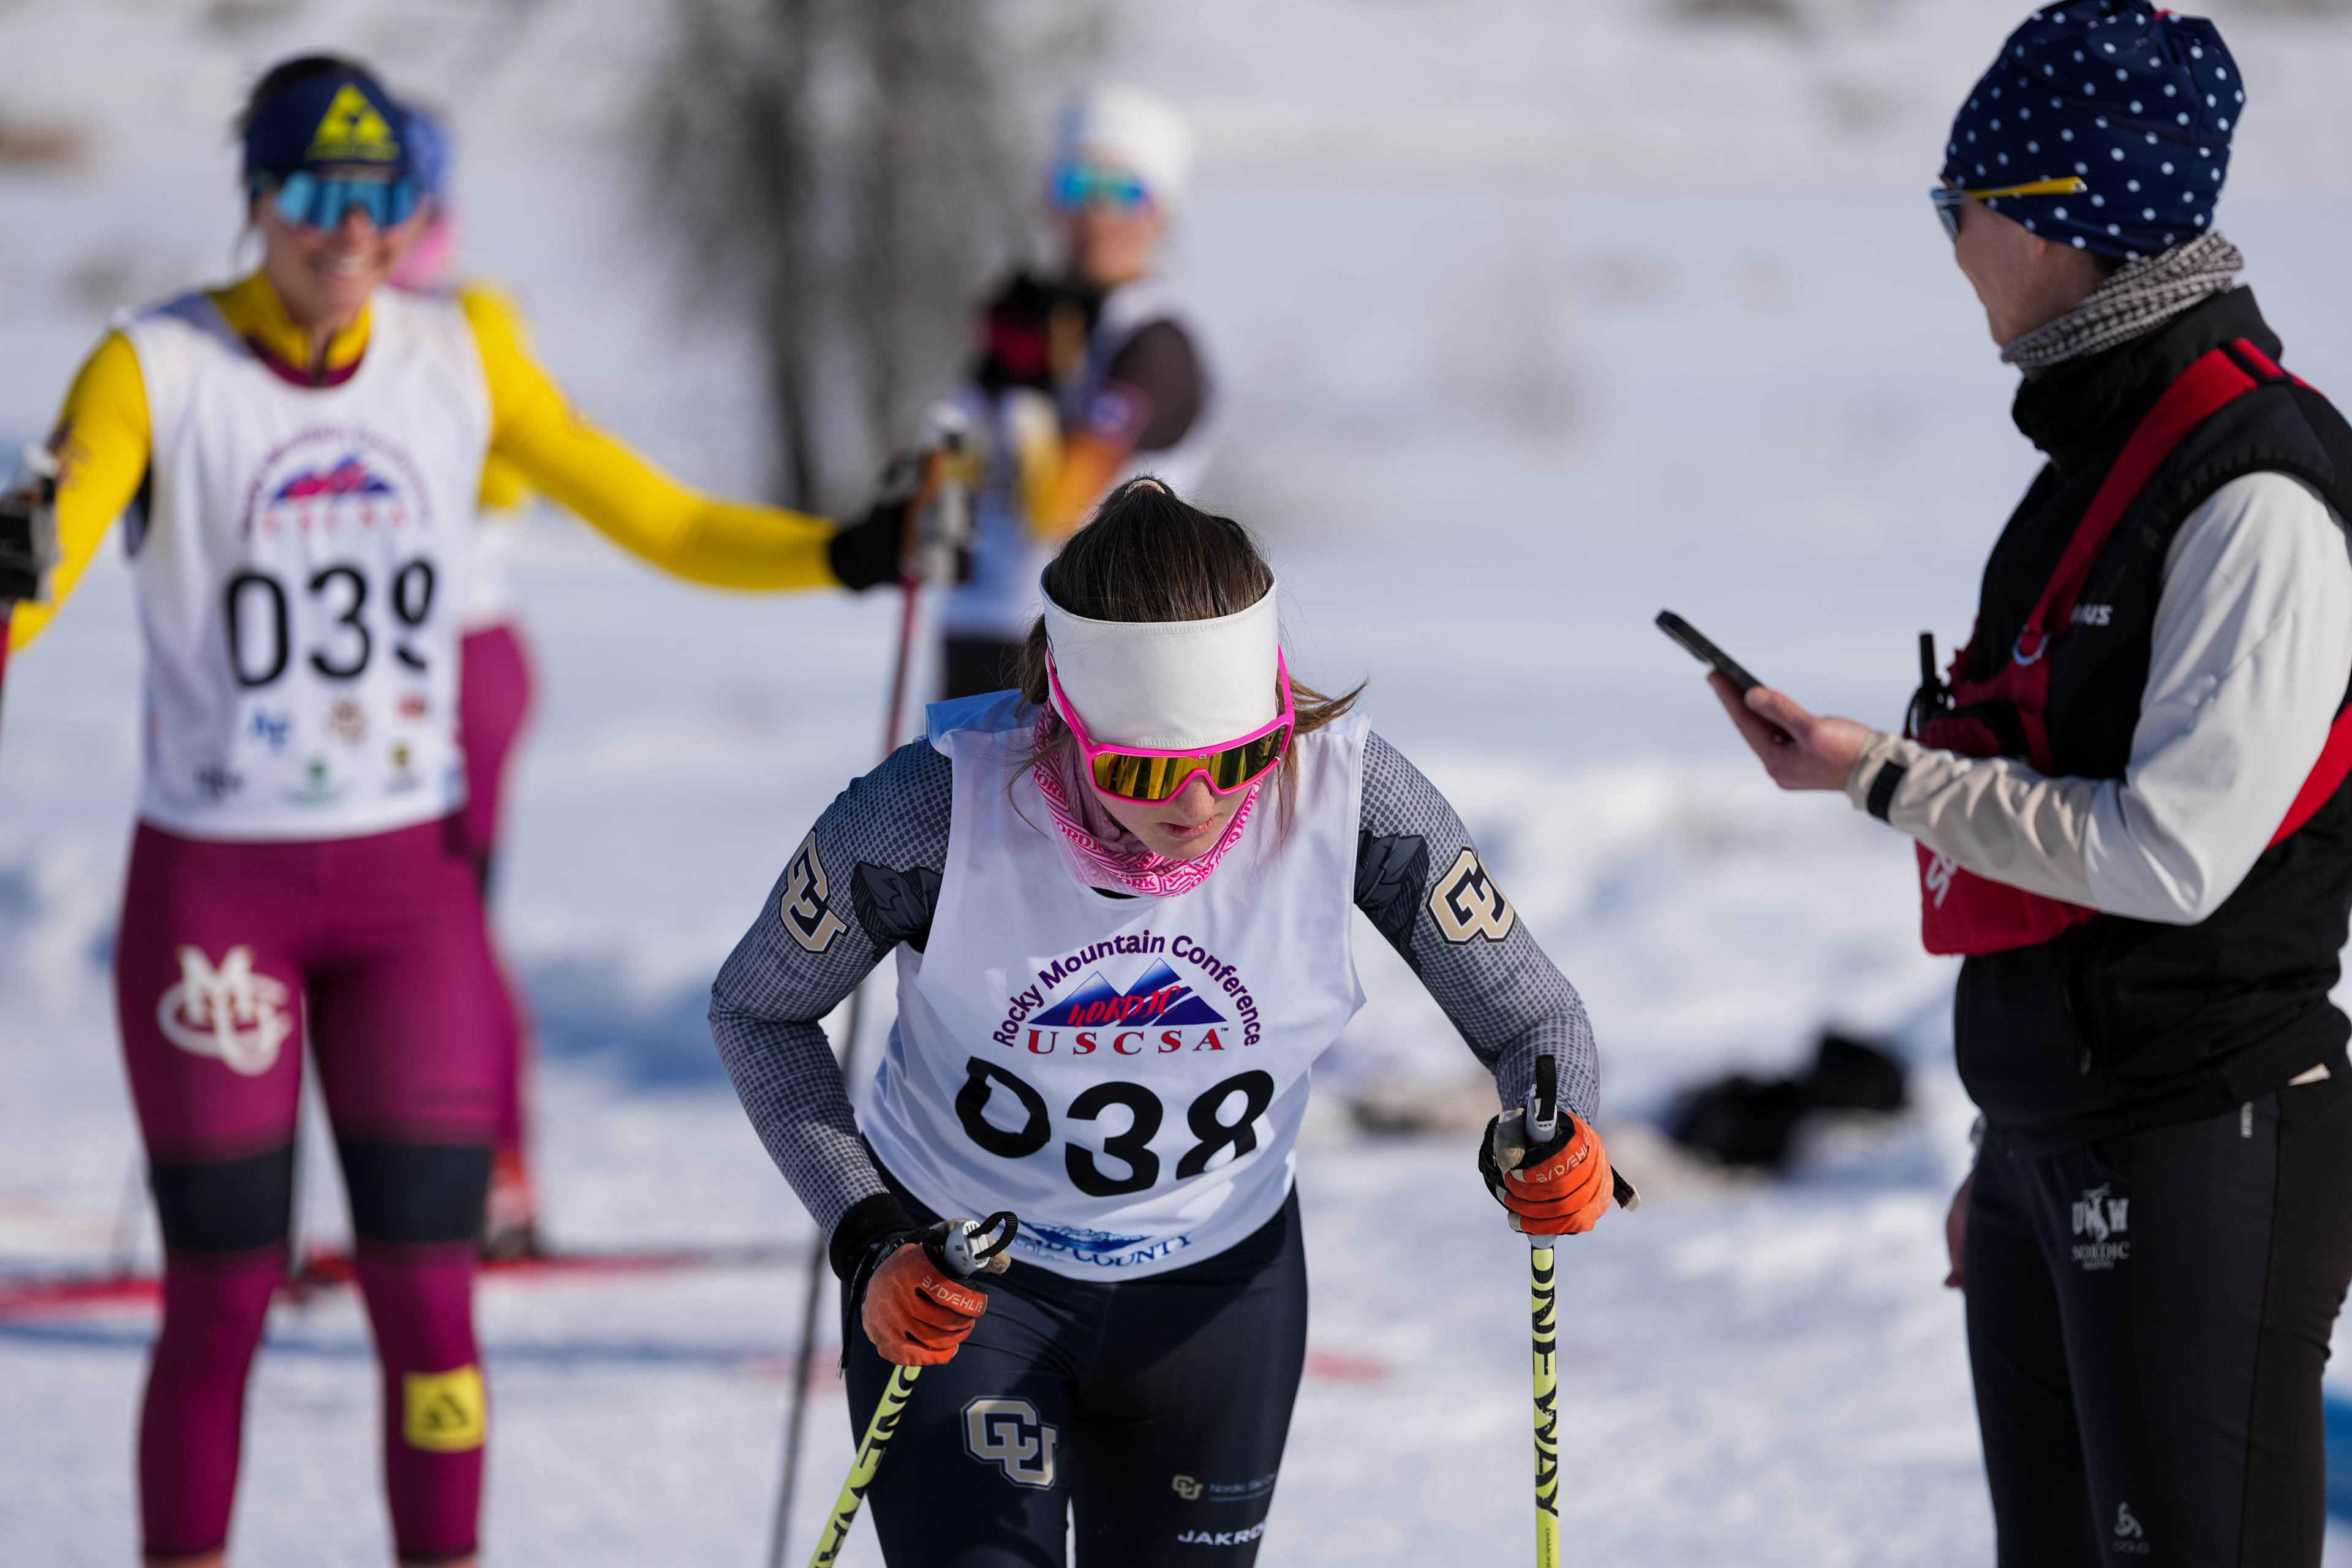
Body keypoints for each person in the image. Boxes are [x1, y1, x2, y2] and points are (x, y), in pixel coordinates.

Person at [4, 55, 884, 1568]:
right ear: (255, 200)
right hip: (217, 893)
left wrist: (851, 548)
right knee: (221, 1292)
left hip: (410, 897)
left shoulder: (460, 350)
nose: (351, 231)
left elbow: (659, 516)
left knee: (432, 1301)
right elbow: (53, 548)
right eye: (313, 194)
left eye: (384, 198)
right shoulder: (155, 365)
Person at [1707, 6, 2352, 1562]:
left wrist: (1880, 777)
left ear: (2062, 217)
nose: (1950, 247)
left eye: (1962, 204)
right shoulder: (2098, 460)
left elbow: (2173, 854)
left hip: (2202, 1121)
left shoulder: (2253, 489)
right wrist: (2010, 1143)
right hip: (2061, 1121)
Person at [710, 478, 1618, 1564]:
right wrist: (870, 1237)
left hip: (1217, 1295)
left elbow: (1535, 1018)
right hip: (965, 1278)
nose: (1196, 806)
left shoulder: (1355, 798)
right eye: (1141, 771)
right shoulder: (927, 813)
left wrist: (1556, 1131)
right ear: (1063, 718)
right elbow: (758, 1010)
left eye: (1239, 759)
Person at [918, 85, 1220, 702]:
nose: (1096, 215)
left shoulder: (1157, 342)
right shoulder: (1045, 327)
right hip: (980, 628)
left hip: (1086, 640)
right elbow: (936, 480)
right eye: (1077, 187)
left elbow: (1058, 507)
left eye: (1124, 193)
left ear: (1161, 212)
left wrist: (1022, 393)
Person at [388, 103, 546, 1257]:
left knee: (449, 927)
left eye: (397, 205)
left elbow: (511, 476)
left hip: (461, 658)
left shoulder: (464, 319)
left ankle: (498, 1171)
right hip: (368, 673)